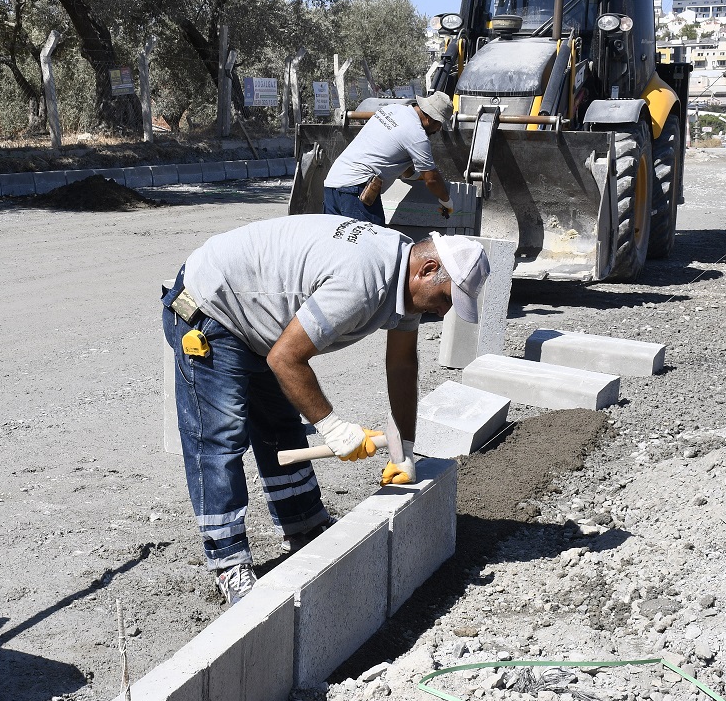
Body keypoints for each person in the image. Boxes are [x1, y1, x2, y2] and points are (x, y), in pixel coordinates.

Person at [162, 215, 491, 604]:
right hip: (210, 308)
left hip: (259, 320)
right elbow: (286, 359)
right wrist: (333, 427)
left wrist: (406, 446)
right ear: (429, 269)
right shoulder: (362, 281)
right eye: (445, 300)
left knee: (281, 426)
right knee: (219, 440)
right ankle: (228, 561)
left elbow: (402, 363)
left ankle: (304, 527)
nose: (442, 313)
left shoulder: (404, 268)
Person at [322, 93, 456, 226]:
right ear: (430, 119)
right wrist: (446, 200)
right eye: (439, 124)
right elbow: (432, 179)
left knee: (337, 243)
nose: (438, 129)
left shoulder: (392, 109)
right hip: (356, 190)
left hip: (333, 183)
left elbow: (393, 147)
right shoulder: (417, 135)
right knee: (371, 244)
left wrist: (412, 176)